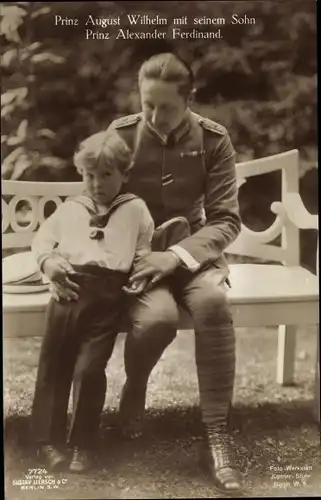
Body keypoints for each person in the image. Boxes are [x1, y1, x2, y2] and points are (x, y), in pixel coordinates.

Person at [50, 52, 243, 493]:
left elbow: (226, 220)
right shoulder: (121, 135)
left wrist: (174, 256)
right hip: (135, 258)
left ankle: (216, 435)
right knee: (156, 320)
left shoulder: (214, 140)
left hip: (192, 256)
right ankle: (135, 387)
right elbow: (94, 198)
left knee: (213, 302)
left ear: (189, 99)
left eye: (167, 107)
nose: (155, 116)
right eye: (147, 104)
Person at [30, 131, 154, 473]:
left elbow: (143, 249)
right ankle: (46, 442)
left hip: (108, 298)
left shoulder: (135, 209)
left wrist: (141, 272)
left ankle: (81, 442)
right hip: (68, 290)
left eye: (106, 175)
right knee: (55, 366)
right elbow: (42, 241)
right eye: (89, 176)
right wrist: (49, 265)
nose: (97, 184)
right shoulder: (71, 209)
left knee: (90, 369)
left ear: (125, 174)